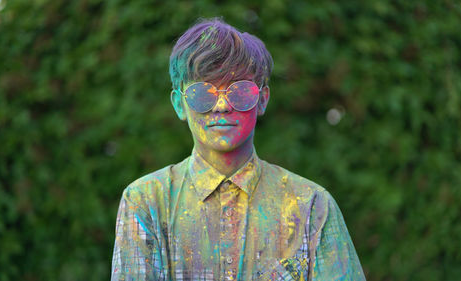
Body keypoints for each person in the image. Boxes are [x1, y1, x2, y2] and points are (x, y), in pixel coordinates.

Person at [111, 18, 365, 281]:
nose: (221, 105)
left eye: (239, 91)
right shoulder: (147, 201)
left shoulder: (311, 206)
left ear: (262, 99)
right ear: (179, 105)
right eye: (202, 93)